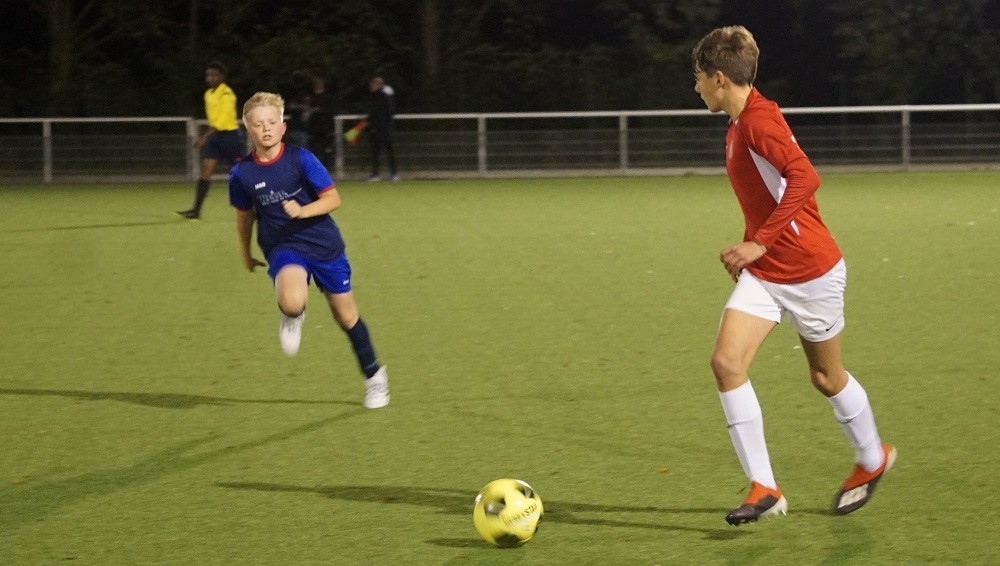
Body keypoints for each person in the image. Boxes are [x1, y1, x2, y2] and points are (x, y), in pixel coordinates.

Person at [690, 25, 894, 525]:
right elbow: (766, 195)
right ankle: (765, 488)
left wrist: (759, 242)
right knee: (726, 363)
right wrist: (753, 250)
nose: (695, 87)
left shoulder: (758, 121)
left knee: (826, 377)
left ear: (719, 78)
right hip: (766, 273)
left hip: (811, 271)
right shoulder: (739, 124)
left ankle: (872, 459)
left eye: (698, 77)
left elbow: (805, 176)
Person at [228, 91, 389, 409]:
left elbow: (333, 199)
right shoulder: (241, 173)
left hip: (323, 244)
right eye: (258, 124)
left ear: (283, 126)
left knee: (346, 316)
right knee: (291, 300)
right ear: (248, 129)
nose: (266, 128)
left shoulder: (301, 158)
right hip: (283, 246)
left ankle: (375, 377)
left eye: (271, 122)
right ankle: (293, 313)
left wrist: (303, 211)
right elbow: (244, 216)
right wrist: (245, 253)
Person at [179, 61, 244, 219]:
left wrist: (205, 137)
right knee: (205, 172)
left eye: (214, 75)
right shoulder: (208, 94)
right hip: (215, 136)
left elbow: (221, 121)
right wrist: (209, 136)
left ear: (222, 77)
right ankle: (196, 210)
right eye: (208, 75)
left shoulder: (227, 95)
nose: (210, 78)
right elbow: (213, 120)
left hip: (230, 137)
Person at [366, 76, 398, 182]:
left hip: (381, 129)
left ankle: (381, 174)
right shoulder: (384, 96)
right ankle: (392, 174)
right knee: (383, 152)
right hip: (383, 129)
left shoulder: (380, 96)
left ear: (377, 85)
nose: (371, 87)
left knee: (380, 152)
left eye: (372, 85)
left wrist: (372, 124)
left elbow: (379, 113)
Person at [306, 77, 336, 168]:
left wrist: (316, 110)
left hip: (325, 128)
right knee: (314, 149)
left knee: (326, 149)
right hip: (314, 128)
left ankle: (326, 167)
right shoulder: (311, 98)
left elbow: (329, 111)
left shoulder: (327, 97)